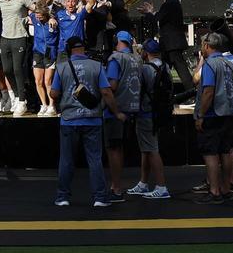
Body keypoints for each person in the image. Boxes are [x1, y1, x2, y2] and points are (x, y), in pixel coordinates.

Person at [50, 37, 124, 208]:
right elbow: (106, 91)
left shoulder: (62, 67)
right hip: (92, 119)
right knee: (95, 159)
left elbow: (54, 93)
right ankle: (99, 197)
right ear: (84, 49)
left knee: (66, 160)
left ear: (69, 50)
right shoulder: (96, 66)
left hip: (69, 120)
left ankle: (62, 197)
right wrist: (117, 112)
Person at [195, 32, 233, 204]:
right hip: (228, 114)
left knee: (211, 155)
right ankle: (226, 189)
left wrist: (200, 115)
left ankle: (214, 192)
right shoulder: (230, 64)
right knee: (225, 152)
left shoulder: (209, 65)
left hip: (212, 115)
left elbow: (208, 92)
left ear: (207, 46)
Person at [127, 39, 171, 199]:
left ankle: (161, 186)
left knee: (152, 150)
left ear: (146, 52)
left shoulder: (145, 68)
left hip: (145, 112)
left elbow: (136, 87)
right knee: (146, 149)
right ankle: (143, 183)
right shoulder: (165, 66)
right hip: (159, 113)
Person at [104, 31, 141, 202]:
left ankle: (116, 188)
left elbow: (111, 85)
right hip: (132, 109)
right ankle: (117, 186)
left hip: (116, 110)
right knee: (119, 149)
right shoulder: (137, 59)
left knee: (114, 150)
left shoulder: (116, 59)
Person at [0, 0, 31, 117]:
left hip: (19, 37)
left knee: (17, 69)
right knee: (6, 70)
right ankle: (17, 97)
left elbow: (38, 8)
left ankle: (22, 101)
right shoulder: (0, 1)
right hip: (5, 39)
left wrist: (47, 17)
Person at [155, 0, 195, 101]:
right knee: (164, 71)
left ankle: (192, 94)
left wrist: (150, 12)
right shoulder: (172, 2)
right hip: (170, 43)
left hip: (172, 43)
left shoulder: (170, 3)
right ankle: (166, 95)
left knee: (180, 69)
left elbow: (159, 18)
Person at [30, 3, 58, 116]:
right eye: (36, 15)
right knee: (38, 81)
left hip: (50, 53)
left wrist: (52, 18)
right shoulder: (34, 17)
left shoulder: (53, 23)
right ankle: (44, 105)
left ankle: (52, 106)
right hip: (38, 53)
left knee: (48, 81)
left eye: (40, 15)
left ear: (45, 14)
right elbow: (29, 5)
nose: (38, 17)